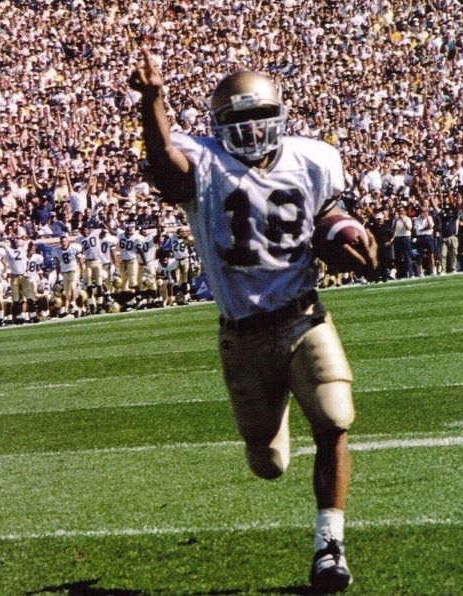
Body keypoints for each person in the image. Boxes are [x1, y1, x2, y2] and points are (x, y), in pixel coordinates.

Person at [130, 51, 377, 593]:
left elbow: (328, 213)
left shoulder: (313, 159)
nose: (248, 131)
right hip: (241, 333)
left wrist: (343, 232)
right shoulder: (206, 163)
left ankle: (329, 547)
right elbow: (168, 171)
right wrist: (153, 103)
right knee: (266, 462)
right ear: (219, 127)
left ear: (280, 115)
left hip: (303, 316)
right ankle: (279, 404)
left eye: (256, 117)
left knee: (335, 418)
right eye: (235, 122)